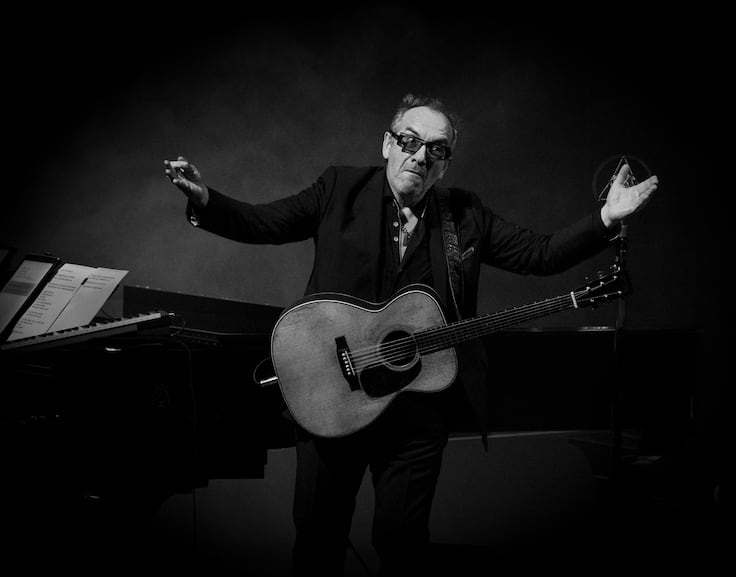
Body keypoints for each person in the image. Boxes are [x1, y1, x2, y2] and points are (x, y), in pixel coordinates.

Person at [164, 93, 658, 576]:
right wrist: (207, 202)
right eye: (409, 141)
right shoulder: (339, 188)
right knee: (319, 543)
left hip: (417, 414)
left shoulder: (464, 215)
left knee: (402, 548)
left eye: (436, 150)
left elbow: (541, 254)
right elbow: (264, 223)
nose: (420, 156)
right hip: (331, 399)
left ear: (445, 165)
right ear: (387, 144)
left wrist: (606, 218)